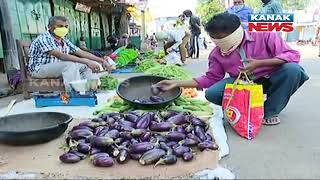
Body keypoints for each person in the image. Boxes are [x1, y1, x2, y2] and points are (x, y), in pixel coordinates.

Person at [157, 13, 309, 126]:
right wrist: (176, 83)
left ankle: (270, 110)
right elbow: (210, 78)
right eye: (215, 39)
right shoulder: (217, 53)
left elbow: (292, 55)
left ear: (236, 31)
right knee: (212, 93)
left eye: (222, 38)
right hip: (242, 83)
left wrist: (259, 63)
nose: (220, 43)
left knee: (293, 70)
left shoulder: (264, 35)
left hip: (272, 77)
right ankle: (249, 106)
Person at [28, 16, 113, 90]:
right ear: (50, 27)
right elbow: (62, 56)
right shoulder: (44, 38)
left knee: (87, 65)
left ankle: (92, 88)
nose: (64, 29)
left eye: (66, 26)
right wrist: (87, 61)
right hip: (38, 69)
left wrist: (102, 60)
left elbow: (81, 52)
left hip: (56, 67)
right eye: (60, 26)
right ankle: (75, 92)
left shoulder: (63, 39)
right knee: (70, 65)